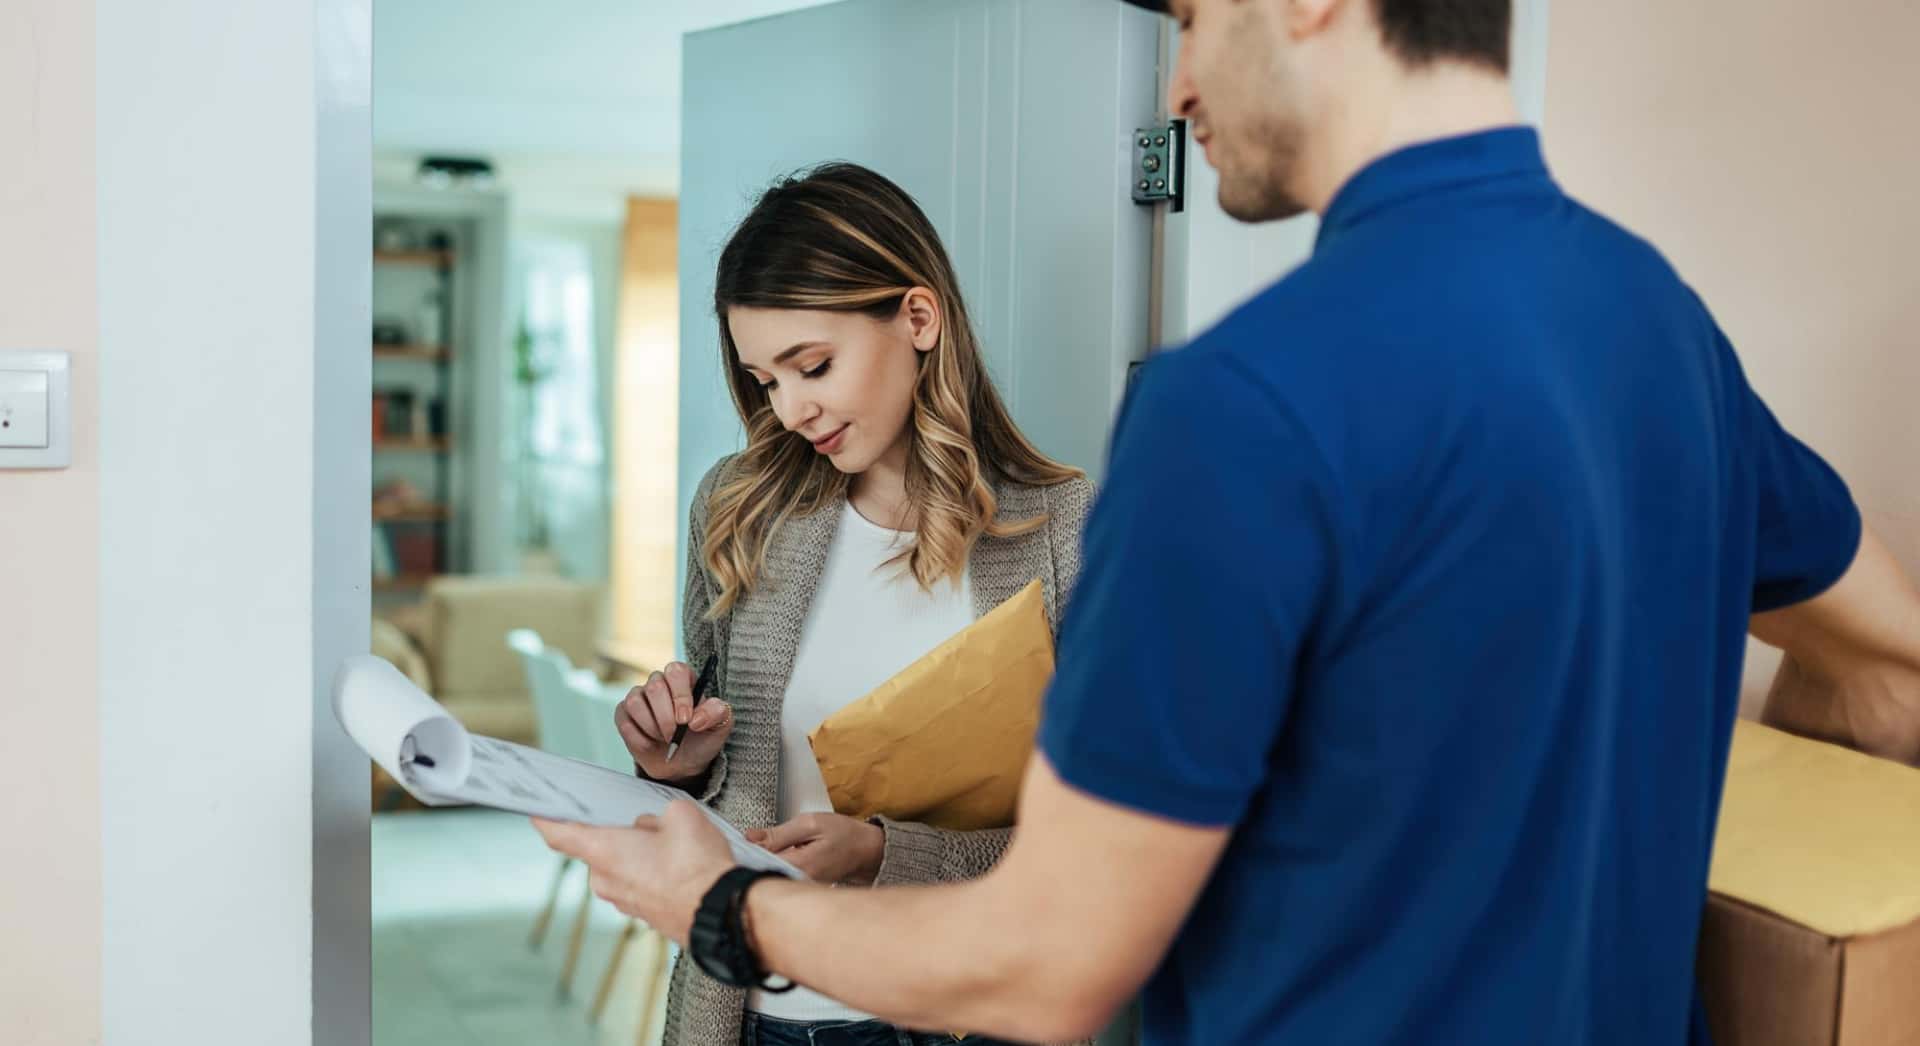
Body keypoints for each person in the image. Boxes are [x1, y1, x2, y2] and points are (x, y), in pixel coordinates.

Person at [541, 1, 1920, 1043]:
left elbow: (1054, 957)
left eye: (1194, 14)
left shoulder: (1236, 406)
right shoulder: (1665, 332)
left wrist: (720, 907)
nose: (1181, 78)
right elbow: (1887, 662)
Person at [612, 161, 1095, 1046]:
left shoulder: (1064, 531)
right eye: (766, 381)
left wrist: (885, 854)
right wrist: (673, 765)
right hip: (757, 1014)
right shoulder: (738, 507)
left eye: (813, 366)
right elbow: (733, 788)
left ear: (919, 318)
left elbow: (1095, 851)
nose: (791, 409)